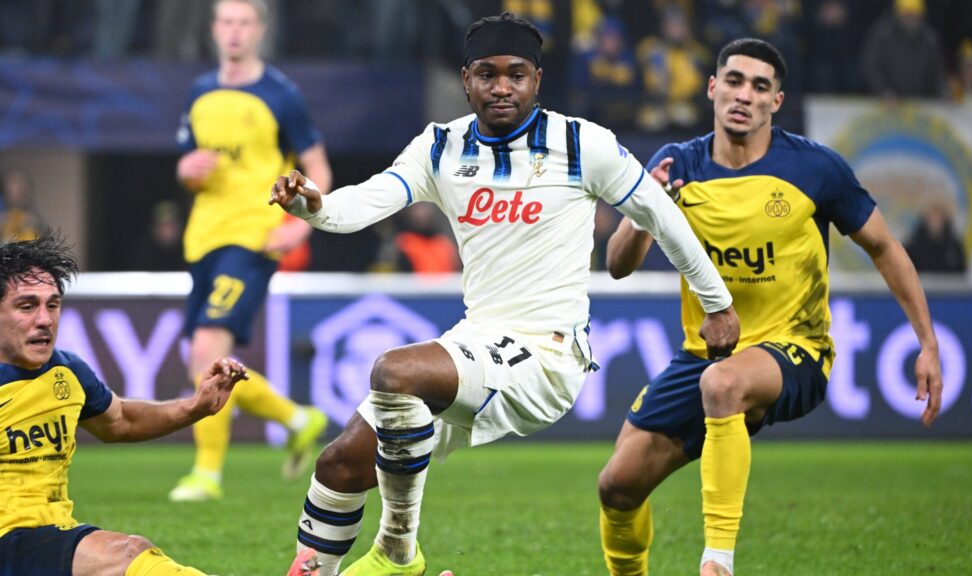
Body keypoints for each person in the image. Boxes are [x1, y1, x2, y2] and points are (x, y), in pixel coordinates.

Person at [270, 12, 739, 576]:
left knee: (395, 372)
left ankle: (397, 552)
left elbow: (661, 216)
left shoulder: (581, 144)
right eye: (487, 74)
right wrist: (314, 206)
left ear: (536, 80)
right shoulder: (440, 147)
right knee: (340, 463)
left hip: (546, 354)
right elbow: (365, 202)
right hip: (476, 344)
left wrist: (717, 303)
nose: (501, 87)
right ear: (466, 79)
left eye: (516, 74)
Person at [596, 38, 944, 576]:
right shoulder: (676, 164)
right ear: (712, 88)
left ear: (776, 101)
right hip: (704, 355)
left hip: (795, 350)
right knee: (617, 487)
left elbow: (884, 247)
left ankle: (717, 563)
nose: (744, 95)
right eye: (734, 81)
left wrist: (927, 343)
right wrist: (649, 209)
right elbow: (618, 265)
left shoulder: (815, 168)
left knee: (723, 386)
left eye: (760, 87)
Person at [0, 233, 250, 576]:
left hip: (47, 538)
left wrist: (195, 407)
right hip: (7, 541)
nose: (44, 319)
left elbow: (122, 421)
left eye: (53, 305)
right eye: (27, 306)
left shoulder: (67, 372)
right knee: (126, 554)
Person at [170, 0, 331, 502]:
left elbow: (318, 167)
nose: (234, 31)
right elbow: (190, 164)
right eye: (226, 21)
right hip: (203, 237)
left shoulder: (281, 95)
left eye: (244, 22)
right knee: (201, 361)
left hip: (255, 234)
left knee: (206, 350)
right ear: (214, 29)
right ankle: (297, 419)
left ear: (260, 30)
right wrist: (185, 171)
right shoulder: (200, 92)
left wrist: (302, 224)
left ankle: (206, 475)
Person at [860, 0, 948, 100]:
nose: (911, 18)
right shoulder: (882, 35)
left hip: (918, 101)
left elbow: (937, 73)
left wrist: (943, 92)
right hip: (886, 102)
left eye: (914, 15)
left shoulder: (928, 39)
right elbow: (870, 66)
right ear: (898, 13)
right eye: (907, 15)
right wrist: (883, 91)